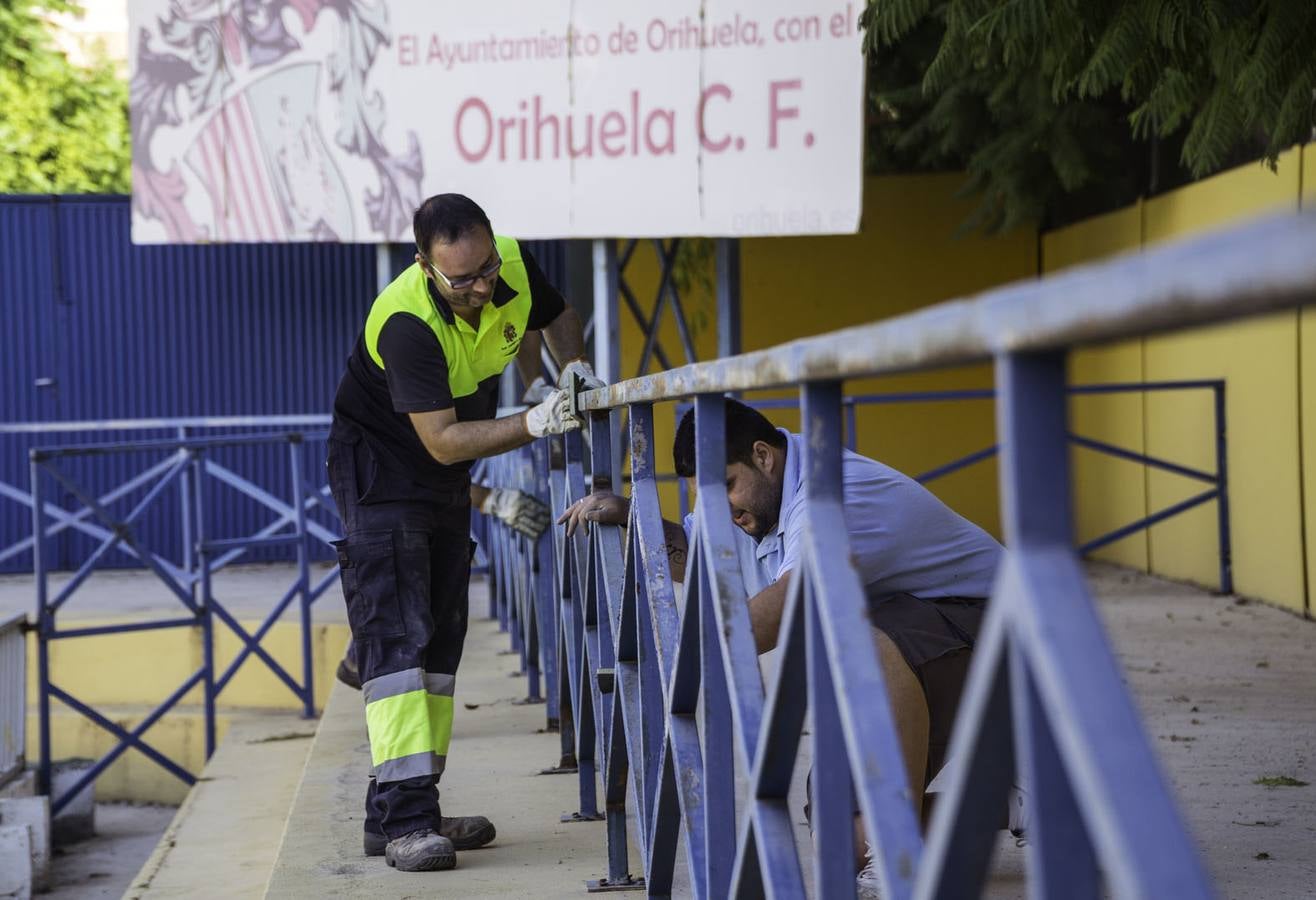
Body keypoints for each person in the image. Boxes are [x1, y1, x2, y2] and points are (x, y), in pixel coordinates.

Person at [558, 398, 1020, 886]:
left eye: (729, 488)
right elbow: (699, 551)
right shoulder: (754, 502)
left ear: (763, 456)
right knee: (842, 838)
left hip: (995, 634)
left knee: (854, 633)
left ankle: (897, 852)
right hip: (918, 646)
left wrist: (677, 662)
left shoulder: (831, 492)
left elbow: (792, 607)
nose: (725, 511)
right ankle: (1018, 801)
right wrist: (635, 518)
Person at [328, 193, 603, 873]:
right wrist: (536, 422)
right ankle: (409, 822)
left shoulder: (504, 259)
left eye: (485, 271)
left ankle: (393, 809)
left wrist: (567, 368)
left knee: (441, 641)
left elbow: (558, 314)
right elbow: (445, 441)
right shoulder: (407, 322)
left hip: (443, 476)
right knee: (399, 647)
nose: (481, 288)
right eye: (462, 280)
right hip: (382, 472)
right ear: (425, 265)